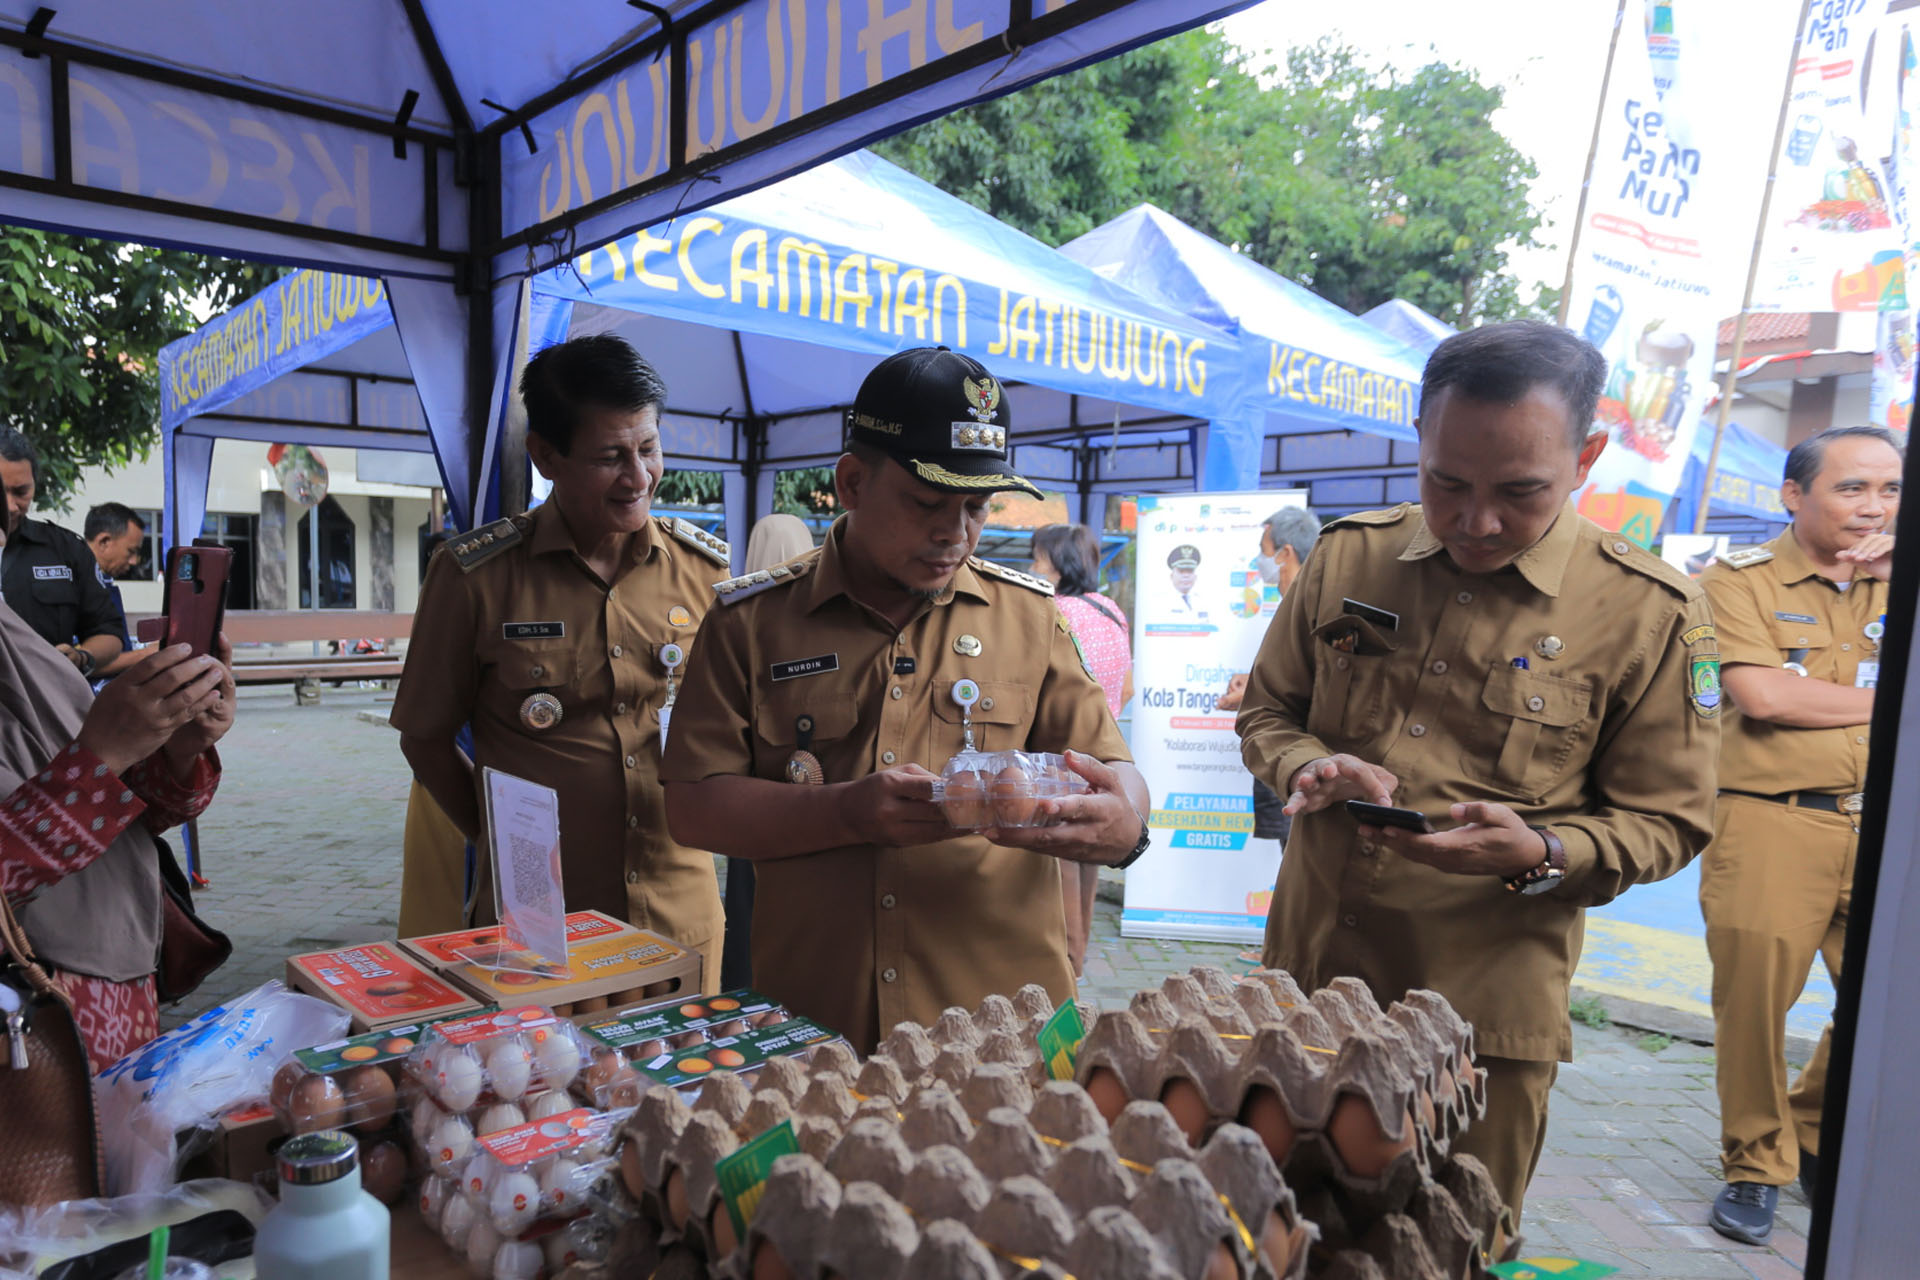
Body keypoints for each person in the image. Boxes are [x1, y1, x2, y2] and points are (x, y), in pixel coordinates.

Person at [1234, 321, 1721, 1228]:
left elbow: (1671, 819)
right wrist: (1308, 762)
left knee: (1443, 1241)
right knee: (1274, 1232)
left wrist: (1541, 849)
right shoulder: (1348, 555)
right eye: (1446, 483)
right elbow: (1268, 712)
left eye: (1520, 491)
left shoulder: (1651, 612)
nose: (1476, 520)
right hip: (1306, 990)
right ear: (1417, 437)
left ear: (1588, 459)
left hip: (1479, 1028)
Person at [661, 347, 1152, 1053]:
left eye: (977, 508)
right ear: (853, 482)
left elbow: (1115, 770)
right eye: (926, 503)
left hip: (1002, 1030)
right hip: (819, 1028)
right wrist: (843, 811)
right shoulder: (750, 624)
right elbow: (692, 805)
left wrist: (1124, 823)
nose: (954, 532)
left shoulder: (1029, 618)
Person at [392, 335, 730, 989]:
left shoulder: (704, 574)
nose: (639, 477)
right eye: (611, 457)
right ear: (546, 455)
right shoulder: (475, 579)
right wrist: (506, 847)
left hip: (679, 916)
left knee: (680, 1088)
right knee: (543, 1089)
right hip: (539, 927)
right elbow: (425, 739)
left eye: (649, 448)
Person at [1698, 424, 1901, 1246]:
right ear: (1793, 494)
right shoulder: (1733, 582)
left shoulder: (1901, 578)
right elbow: (1765, 698)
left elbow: (1803, 694)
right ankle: (1754, 1163)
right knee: (1754, 1004)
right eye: (1853, 488)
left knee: (1887, 1005)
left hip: (1887, 826)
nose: (1875, 507)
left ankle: (1810, 1130)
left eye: (1892, 490)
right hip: (1772, 820)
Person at [0, 602, 232, 1072]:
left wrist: (177, 750)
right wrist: (101, 757)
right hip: (32, 1017)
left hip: (120, 994)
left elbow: (132, 817)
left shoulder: (13, 629)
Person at [1217, 505, 1321, 963]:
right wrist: (1252, 684)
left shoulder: (1315, 602)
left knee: (1301, 863)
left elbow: (1311, 691)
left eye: (1263, 552)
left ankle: (1284, 964)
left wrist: (1252, 693)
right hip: (1286, 759)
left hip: (1306, 761)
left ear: (1284, 552)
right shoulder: (1292, 601)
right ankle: (1278, 957)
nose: (1260, 562)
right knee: (1291, 856)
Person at [718, 512, 816, 991]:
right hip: (816, 799)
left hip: (748, 798)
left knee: (745, 904)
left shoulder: (733, 618)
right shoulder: (825, 620)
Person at [1029, 521, 1132, 976]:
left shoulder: (1053, 610)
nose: (1032, 567)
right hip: (1104, 754)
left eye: (1037, 558)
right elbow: (1127, 687)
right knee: (1090, 856)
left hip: (1061, 756)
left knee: (1061, 860)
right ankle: (1081, 952)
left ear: (1057, 564)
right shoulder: (1111, 609)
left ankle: (1066, 963)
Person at [0, 430, 125, 679]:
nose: (10, 506)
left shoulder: (65, 550)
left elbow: (110, 634)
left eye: (21, 492)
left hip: (46, 706)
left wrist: (81, 657)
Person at [84, 503, 147, 679]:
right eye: (131, 551)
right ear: (104, 542)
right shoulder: (74, 585)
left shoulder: (103, 582)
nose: (134, 561)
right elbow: (80, 662)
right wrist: (145, 655)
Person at [1166, 544, 1206, 616]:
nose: (1186, 575)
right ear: (1171, 576)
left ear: (1195, 576)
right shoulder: (1159, 602)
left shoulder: (1205, 601)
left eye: (1190, 571)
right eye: (1181, 571)